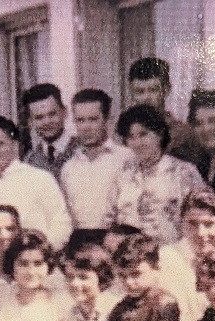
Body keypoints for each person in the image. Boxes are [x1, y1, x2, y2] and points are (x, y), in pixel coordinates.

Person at [106, 105, 206, 245]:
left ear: (159, 134)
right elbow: (110, 219)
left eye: (143, 134)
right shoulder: (123, 174)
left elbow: (201, 219)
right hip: (128, 258)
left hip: (171, 257)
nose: (137, 143)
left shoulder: (184, 172)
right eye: (131, 137)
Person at [0, 114, 72, 250]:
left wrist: (43, 252)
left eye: (0, 144)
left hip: (37, 262)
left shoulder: (40, 178)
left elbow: (60, 223)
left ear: (13, 143)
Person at [157, 188, 215, 321]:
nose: (201, 233)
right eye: (192, 224)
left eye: (208, 224)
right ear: (181, 224)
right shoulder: (166, 258)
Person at [60, 88, 133, 246]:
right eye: (80, 120)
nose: (86, 127)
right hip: (79, 246)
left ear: (107, 120)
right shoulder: (69, 167)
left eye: (93, 119)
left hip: (116, 243)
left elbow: (130, 211)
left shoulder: (126, 158)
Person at [0, 230, 68, 321]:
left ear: (48, 265)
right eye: (23, 264)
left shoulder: (60, 302)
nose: (31, 272)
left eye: (38, 264)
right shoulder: (2, 298)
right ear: (12, 265)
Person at [127, 57, 198, 163]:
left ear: (166, 90)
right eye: (140, 91)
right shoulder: (124, 133)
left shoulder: (183, 134)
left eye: (153, 90)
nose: (146, 97)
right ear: (132, 93)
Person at [22, 83, 80, 178]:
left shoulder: (83, 150)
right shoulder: (30, 161)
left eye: (52, 114)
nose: (47, 122)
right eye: (39, 117)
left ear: (65, 112)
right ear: (30, 122)